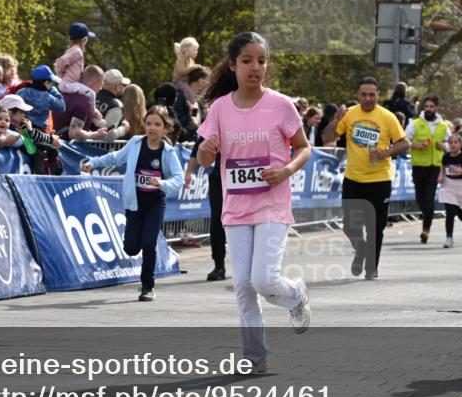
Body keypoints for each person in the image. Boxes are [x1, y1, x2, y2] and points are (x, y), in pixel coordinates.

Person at [196, 31, 313, 371]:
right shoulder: (219, 109)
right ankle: (254, 358)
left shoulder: (280, 104)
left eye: (261, 61)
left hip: (272, 205)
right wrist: (206, 151)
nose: (255, 67)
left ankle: (295, 295)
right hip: (236, 207)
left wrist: (286, 169)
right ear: (232, 65)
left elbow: (304, 147)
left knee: (264, 280)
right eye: (247, 60)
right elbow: (205, 158)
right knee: (244, 286)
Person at [83, 106, 183, 300]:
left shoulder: (168, 152)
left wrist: (162, 183)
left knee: (149, 244)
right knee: (131, 248)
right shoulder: (136, 143)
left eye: (157, 124)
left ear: (165, 128)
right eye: (149, 124)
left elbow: (178, 178)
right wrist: (93, 163)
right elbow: (115, 157)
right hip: (135, 202)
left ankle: (147, 287)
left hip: (155, 203)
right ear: (144, 125)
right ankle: (137, 258)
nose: (152, 128)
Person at [322, 76, 409, 279]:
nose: (368, 98)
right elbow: (327, 138)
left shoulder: (387, 117)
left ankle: (372, 268)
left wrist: (385, 152)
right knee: (349, 225)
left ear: (378, 95)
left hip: (380, 180)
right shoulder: (350, 114)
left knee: (375, 228)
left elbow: (405, 143)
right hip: (354, 179)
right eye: (364, 95)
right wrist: (336, 119)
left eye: (372, 94)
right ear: (358, 95)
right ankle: (360, 250)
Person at [407, 95, 449, 244]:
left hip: (434, 166)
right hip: (418, 165)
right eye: (426, 107)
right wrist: (417, 145)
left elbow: (450, 144)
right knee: (420, 198)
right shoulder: (415, 123)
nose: (429, 109)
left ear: (436, 108)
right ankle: (427, 217)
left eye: (431, 107)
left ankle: (426, 229)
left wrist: (443, 146)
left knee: (429, 197)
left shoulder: (443, 126)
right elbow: (406, 140)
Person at [184, 137, 226, 281]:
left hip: (247, 177)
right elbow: (199, 144)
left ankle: (253, 264)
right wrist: (189, 171)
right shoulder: (218, 116)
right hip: (219, 178)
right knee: (217, 221)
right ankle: (219, 265)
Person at [54, 22, 106, 128]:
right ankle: (93, 115)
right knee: (91, 93)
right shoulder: (77, 51)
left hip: (68, 83)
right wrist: (61, 74)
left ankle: (94, 115)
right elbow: (60, 62)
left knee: (88, 93)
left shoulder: (73, 50)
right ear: (84, 39)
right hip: (68, 84)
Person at [0, 94, 62, 175]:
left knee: (52, 150)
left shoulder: (16, 125)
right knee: (39, 153)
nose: (24, 115)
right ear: (10, 112)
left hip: (25, 143)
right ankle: (42, 179)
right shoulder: (5, 127)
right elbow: (29, 146)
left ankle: (55, 175)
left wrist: (31, 131)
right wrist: (30, 130)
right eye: (21, 112)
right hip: (24, 147)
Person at [437, 134, 462, 248]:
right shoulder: (446, 156)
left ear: (460, 144)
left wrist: (460, 170)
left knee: (460, 212)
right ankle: (449, 238)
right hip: (449, 186)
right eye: (451, 142)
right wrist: (441, 177)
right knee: (450, 212)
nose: (453, 145)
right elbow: (443, 169)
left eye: (455, 142)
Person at [51, 65, 108, 141]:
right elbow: (74, 133)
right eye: (100, 86)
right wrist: (96, 134)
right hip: (66, 150)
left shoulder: (61, 93)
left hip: (52, 145)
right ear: (92, 83)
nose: (100, 89)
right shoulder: (84, 102)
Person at [17, 65, 66, 131]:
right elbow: (61, 107)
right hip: (40, 131)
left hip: (22, 127)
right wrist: (54, 90)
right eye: (51, 82)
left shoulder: (21, 92)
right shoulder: (48, 97)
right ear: (46, 83)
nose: (52, 84)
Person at [174, 65, 209, 143]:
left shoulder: (196, 100)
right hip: (183, 145)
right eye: (207, 80)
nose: (208, 83)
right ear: (200, 80)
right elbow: (177, 121)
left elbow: (195, 119)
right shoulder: (181, 96)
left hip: (193, 143)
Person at [98, 69, 130, 138]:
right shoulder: (116, 105)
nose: (124, 88)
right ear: (116, 87)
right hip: (98, 148)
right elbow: (108, 135)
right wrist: (124, 129)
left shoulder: (91, 96)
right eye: (122, 85)